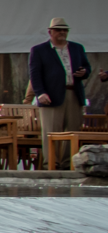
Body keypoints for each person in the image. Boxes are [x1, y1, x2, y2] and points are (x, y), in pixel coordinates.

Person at [28, 17, 91, 155]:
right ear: (50, 32)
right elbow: (35, 74)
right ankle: (51, 163)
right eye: (58, 30)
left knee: (73, 131)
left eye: (65, 30)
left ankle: (69, 163)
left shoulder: (77, 48)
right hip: (51, 95)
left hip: (74, 93)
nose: (62, 32)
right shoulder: (39, 50)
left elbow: (87, 67)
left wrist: (84, 72)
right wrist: (40, 93)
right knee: (51, 131)